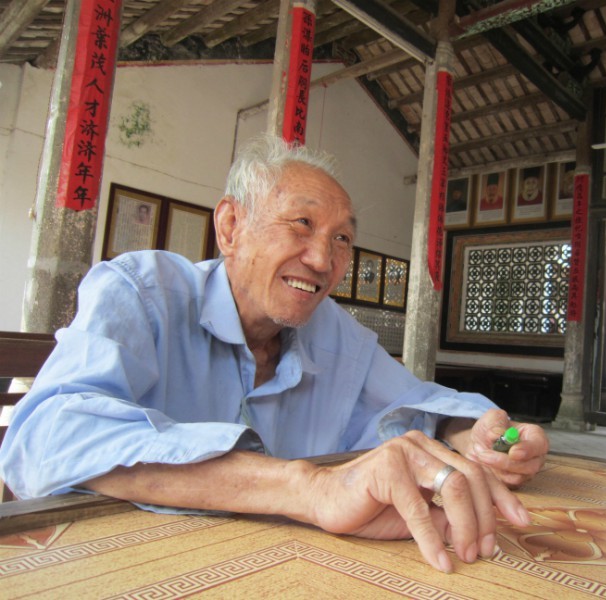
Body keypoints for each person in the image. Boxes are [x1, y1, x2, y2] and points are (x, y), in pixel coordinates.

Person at [0, 135, 548, 574]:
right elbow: (44, 436)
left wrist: (478, 435)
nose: (323, 260)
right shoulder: (143, 294)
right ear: (231, 226)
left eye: (341, 239)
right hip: (121, 567)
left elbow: (418, 403)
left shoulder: (337, 335)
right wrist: (309, 489)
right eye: (303, 224)